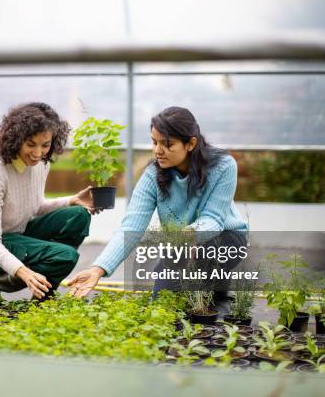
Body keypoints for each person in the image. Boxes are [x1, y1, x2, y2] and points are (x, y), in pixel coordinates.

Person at [68, 106, 248, 311]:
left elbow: (214, 219)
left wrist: (188, 235)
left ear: (191, 144)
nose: (157, 151)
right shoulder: (153, 175)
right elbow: (131, 228)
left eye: (167, 144)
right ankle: (212, 290)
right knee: (162, 305)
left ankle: (217, 296)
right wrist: (97, 270)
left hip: (226, 237)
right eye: (154, 142)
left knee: (205, 301)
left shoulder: (223, 166)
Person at [0, 102, 96, 300]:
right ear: (16, 140)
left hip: (17, 233)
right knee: (65, 256)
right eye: (30, 144)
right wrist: (24, 273)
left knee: (78, 216)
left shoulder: (40, 163)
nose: (38, 153)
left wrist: (72, 200)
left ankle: (43, 292)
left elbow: (35, 207)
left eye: (45, 145)